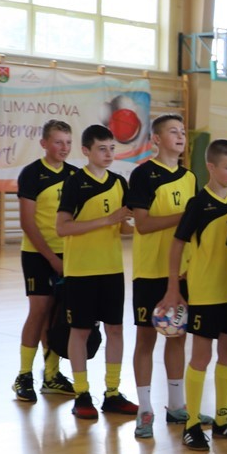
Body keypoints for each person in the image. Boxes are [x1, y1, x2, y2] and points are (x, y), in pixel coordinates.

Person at [158, 138, 227, 451]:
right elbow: (176, 245)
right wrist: (173, 287)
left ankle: (222, 419)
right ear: (211, 167)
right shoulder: (198, 204)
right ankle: (192, 422)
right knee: (201, 356)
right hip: (206, 291)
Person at [54, 124, 138, 420]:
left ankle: (112, 392)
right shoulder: (75, 183)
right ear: (86, 151)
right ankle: (82, 393)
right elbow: (62, 227)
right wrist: (108, 219)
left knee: (115, 329)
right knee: (80, 331)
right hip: (81, 271)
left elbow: (123, 227)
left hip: (111, 269)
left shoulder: (119, 183)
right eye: (102, 149)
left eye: (112, 148)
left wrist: (142, 226)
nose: (109, 154)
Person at [126, 114, 197, 439]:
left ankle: (177, 405)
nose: (180, 136)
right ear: (156, 139)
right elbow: (142, 224)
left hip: (181, 272)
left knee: (177, 336)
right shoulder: (143, 175)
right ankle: (144, 409)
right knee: (146, 339)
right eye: (173, 131)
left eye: (182, 131)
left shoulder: (190, 177)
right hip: (150, 271)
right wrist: (186, 215)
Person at [12, 119, 78, 402]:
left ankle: (52, 375)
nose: (64, 147)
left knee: (57, 314)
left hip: (69, 254)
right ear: (44, 143)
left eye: (68, 142)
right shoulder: (32, 174)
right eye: (58, 142)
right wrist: (52, 258)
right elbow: (27, 223)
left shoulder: (75, 175)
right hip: (38, 254)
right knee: (39, 311)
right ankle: (23, 375)